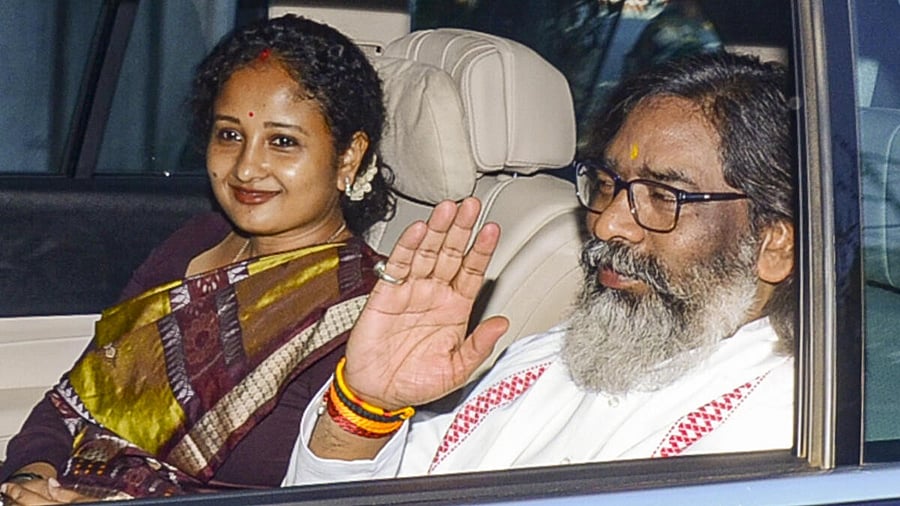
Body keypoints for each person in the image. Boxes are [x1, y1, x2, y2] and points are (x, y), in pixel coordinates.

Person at [281, 51, 795, 483]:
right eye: (608, 183)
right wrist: (366, 407)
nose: (608, 224)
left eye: (663, 196)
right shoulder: (548, 357)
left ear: (774, 245)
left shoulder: (784, 431)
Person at [0, 14, 394, 502]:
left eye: (283, 142)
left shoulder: (372, 313)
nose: (247, 168)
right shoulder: (195, 243)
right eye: (230, 135)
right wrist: (28, 480)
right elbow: (74, 404)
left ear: (349, 157)